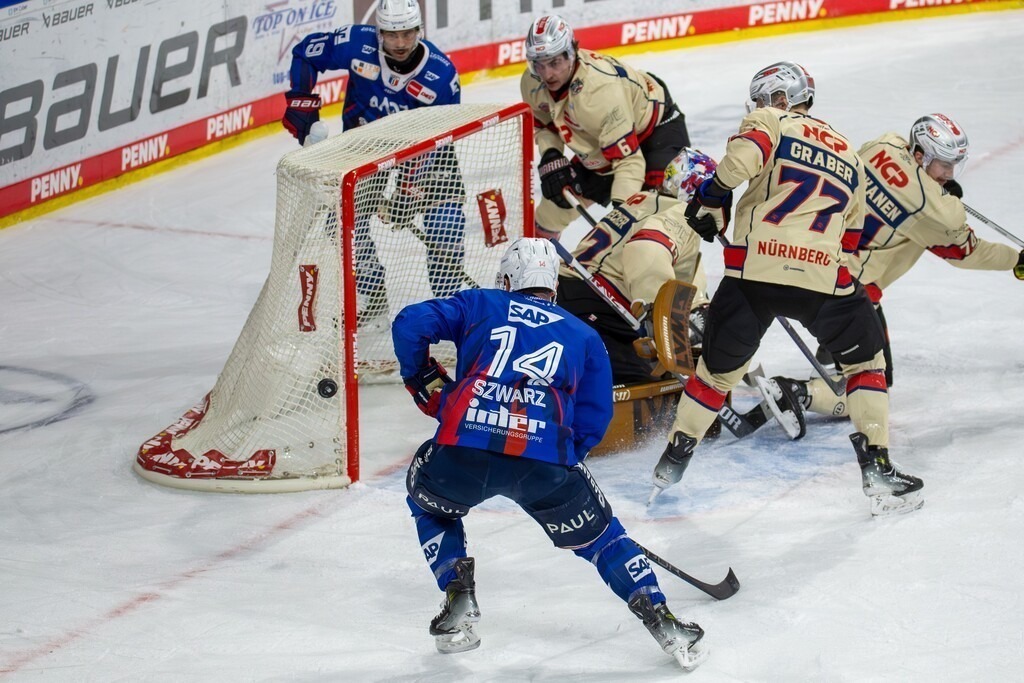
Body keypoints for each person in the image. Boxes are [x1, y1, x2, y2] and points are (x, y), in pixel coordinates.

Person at [392, 237, 708, 670]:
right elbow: (594, 418)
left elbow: (410, 323)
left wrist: (424, 380)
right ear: (553, 289)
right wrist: (560, 452)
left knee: (428, 504)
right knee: (605, 540)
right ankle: (665, 623)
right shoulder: (583, 335)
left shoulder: (481, 303)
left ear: (507, 280)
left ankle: (458, 593)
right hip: (545, 461)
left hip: (463, 451)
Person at [648, 61, 925, 517]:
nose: (757, 107)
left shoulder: (771, 121)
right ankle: (877, 465)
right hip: (823, 278)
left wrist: (711, 197)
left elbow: (739, 162)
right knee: (865, 366)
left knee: (716, 376)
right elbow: (852, 237)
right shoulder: (850, 155)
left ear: (779, 98)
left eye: (761, 99)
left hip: (753, 272)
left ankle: (673, 459)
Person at [770, 114, 1024, 420]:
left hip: (800, 251)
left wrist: (936, 190)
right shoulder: (938, 210)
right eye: (944, 163)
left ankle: (830, 346)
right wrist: (1016, 260)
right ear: (920, 155)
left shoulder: (884, 143)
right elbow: (965, 253)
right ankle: (799, 392)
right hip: (842, 289)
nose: (950, 172)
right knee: (871, 390)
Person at [283, 0, 467, 323]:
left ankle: (451, 308)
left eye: (408, 34)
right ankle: (372, 291)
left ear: (419, 31)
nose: (400, 44)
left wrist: (406, 195)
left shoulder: (442, 78)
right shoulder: (357, 44)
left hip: (426, 151)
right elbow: (305, 53)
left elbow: (437, 143)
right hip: (365, 144)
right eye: (391, 34)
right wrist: (304, 106)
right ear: (379, 31)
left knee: (445, 224)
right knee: (340, 222)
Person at [520, 15, 691, 239]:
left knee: (655, 222)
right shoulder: (532, 83)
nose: (547, 74)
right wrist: (551, 154)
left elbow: (628, 161)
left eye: (554, 63)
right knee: (549, 216)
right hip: (606, 141)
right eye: (539, 64)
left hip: (656, 129)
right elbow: (545, 126)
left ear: (571, 53)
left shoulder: (599, 91)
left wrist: (622, 216)